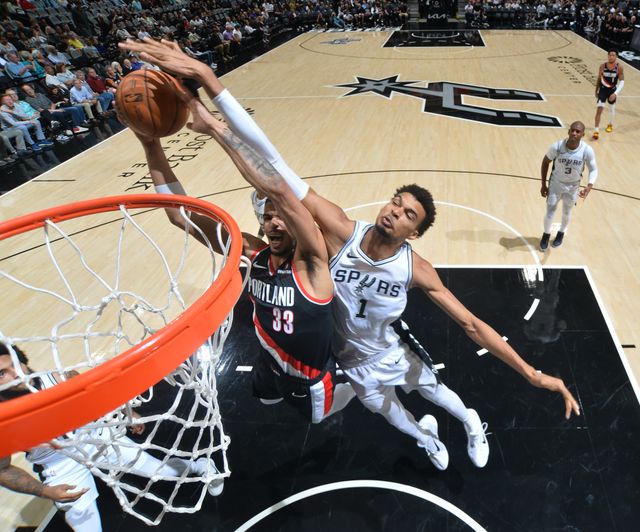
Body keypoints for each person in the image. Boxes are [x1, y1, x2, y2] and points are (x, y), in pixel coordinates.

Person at [119, 38, 581, 471]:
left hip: (390, 349)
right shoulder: (321, 238)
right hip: (349, 359)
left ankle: (470, 422)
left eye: (407, 215)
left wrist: (532, 373)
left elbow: (472, 324)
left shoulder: (348, 259)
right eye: (395, 203)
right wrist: (178, 117)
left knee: (439, 394)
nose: (395, 213)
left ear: (414, 233)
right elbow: (254, 179)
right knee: (393, 416)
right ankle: (427, 440)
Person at [126, 86, 356, 425]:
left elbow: (282, 190)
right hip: (268, 360)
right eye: (267, 216)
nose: (275, 222)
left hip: (308, 378)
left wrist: (221, 130)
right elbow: (179, 216)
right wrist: (150, 144)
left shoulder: (312, 260)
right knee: (264, 399)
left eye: (283, 216)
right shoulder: (254, 252)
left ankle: (356, 387)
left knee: (318, 419)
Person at [0, 342, 223, 531]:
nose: (16, 373)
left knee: (162, 472)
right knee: (84, 522)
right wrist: (45, 491)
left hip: (96, 435)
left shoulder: (58, 378)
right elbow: (3, 470)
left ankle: (200, 465)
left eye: (16, 364)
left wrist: (127, 412)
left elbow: (97, 396)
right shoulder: (3, 421)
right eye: (2, 374)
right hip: (59, 462)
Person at [539, 121, 597, 251]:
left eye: (578, 131)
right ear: (568, 131)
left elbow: (593, 169)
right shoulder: (557, 146)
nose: (574, 133)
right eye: (572, 130)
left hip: (573, 186)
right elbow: (545, 162)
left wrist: (589, 186)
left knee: (566, 212)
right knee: (550, 211)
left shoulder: (587, 150)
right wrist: (543, 184)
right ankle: (546, 234)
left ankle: (561, 233)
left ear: (583, 134)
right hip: (556, 184)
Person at [592, 49, 624, 140]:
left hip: (612, 90)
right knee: (599, 109)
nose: (611, 57)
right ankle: (596, 130)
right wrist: (596, 90)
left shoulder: (619, 67)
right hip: (602, 90)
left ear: (616, 56)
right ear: (608, 56)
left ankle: (610, 124)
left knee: (612, 109)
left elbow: (622, 82)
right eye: (610, 55)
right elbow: (599, 78)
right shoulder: (602, 66)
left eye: (613, 55)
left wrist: (615, 93)